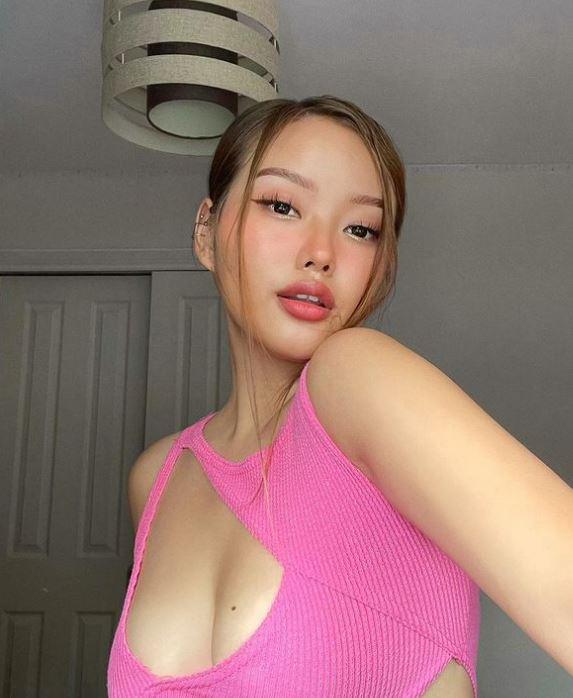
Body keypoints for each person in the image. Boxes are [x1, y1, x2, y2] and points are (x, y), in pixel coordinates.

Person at [108, 95, 573, 696]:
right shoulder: (157, 478)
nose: (321, 253)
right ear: (206, 232)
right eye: (282, 205)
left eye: (361, 229)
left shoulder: (357, 378)